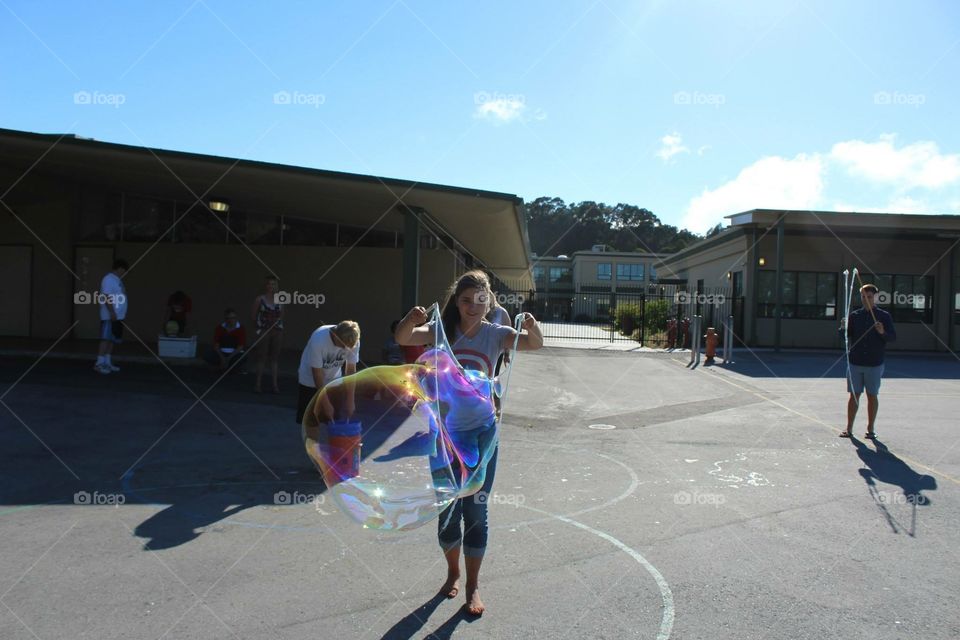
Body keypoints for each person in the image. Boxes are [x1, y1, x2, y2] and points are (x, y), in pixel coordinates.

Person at [395, 270, 543, 617]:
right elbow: (404, 336)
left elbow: (534, 343)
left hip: (482, 433)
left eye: (480, 300)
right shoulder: (441, 331)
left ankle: (473, 585)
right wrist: (411, 319)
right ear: (457, 302)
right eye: (465, 300)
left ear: (488, 302)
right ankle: (453, 573)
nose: (473, 307)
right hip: (444, 433)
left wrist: (533, 325)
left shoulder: (497, 334)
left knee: (476, 507)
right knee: (448, 507)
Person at [840, 283, 896, 439]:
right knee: (854, 395)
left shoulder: (884, 316)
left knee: (872, 395)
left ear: (875, 298)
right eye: (863, 297)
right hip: (855, 362)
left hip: (874, 363)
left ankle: (870, 429)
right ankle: (849, 429)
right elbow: (846, 337)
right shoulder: (855, 315)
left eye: (869, 297)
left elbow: (892, 337)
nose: (866, 300)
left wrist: (882, 332)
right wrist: (843, 328)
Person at [296, 321, 361, 425]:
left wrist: (350, 400)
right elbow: (317, 373)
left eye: (348, 347)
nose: (345, 349)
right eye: (342, 345)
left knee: (334, 420)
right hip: (310, 380)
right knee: (311, 422)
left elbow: (350, 370)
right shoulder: (318, 339)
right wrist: (326, 404)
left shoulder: (353, 339)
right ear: (335, 336)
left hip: (334, 380)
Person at [94, 259, 129, 375]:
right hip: (110, 316)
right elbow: (106, 296)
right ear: (120, 268)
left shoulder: (117, 280)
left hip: (118, 316)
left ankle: (107, 362)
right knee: (105, 339)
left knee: (112, 339)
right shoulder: (108, 279)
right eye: (124, 270)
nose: (125, 273)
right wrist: (112, 312)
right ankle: (99, 363)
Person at [252, 275, 284, 393]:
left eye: (273, 284)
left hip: (277, 331)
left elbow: (281, 316)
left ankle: (275, 385)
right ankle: (258, 384)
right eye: (269, 284)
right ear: (266, 286)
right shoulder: (259, 299)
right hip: (264, 331)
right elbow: (253, 316)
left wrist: (278, 328)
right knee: (261, 357)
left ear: (276, 286)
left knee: (274, 358)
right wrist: (259, 330)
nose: (271, 286)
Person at [203, 308, 247, 373]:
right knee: (207, 354)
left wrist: (228, 359)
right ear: (225, 319)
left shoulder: (241, 329)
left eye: (233, 318)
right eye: (229, 318)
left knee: (244, 356)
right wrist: (222, 358)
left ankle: (225, 367)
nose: (231, 320)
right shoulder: (220, 328)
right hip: (221, 353)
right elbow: (216, 346)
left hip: (234, 354)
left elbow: (240, 347)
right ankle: (224, 366)